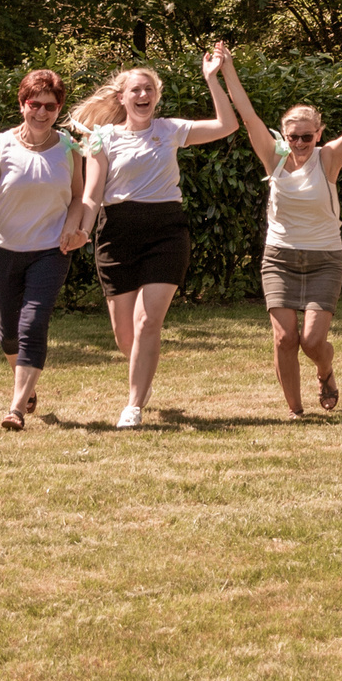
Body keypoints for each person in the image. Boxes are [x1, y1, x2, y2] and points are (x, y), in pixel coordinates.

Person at [214, 45, 342, 418]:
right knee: (284, 338)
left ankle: (325, 371)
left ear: (319, 133)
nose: (302, 144)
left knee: (311, 340)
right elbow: (247, 114)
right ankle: (295, 410)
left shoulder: (329, 158)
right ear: (285, 136)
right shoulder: (272, 157)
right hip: (279, 257)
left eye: (308, 136)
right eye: (295, 137)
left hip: (324, 258)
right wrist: (226, 68)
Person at [69, 48, 239, 428]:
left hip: (166, 230)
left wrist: (213, 77)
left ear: (156, 96)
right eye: (135, 90)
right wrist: (82, 228)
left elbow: (228, 125)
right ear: (122, 98)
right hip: (116, 233)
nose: (143, 96)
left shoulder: (170, 129)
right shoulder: (102, 138)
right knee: (125, 333)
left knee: (148, 322)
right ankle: (142, 379)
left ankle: (133, 406)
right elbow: (93, 193)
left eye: (149, 89)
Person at [0, 69, 88, 430]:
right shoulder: (1, 145)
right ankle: (27, 386)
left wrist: (70, 227)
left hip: (50, 249)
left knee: (33, 324)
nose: (42, 112)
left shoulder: (69, 147)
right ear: (22, 105)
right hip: (2, 248)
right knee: (9, 335)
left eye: (51, 105)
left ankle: (15, 408)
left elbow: (78, 197)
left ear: (59, 108)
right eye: (35, 104)